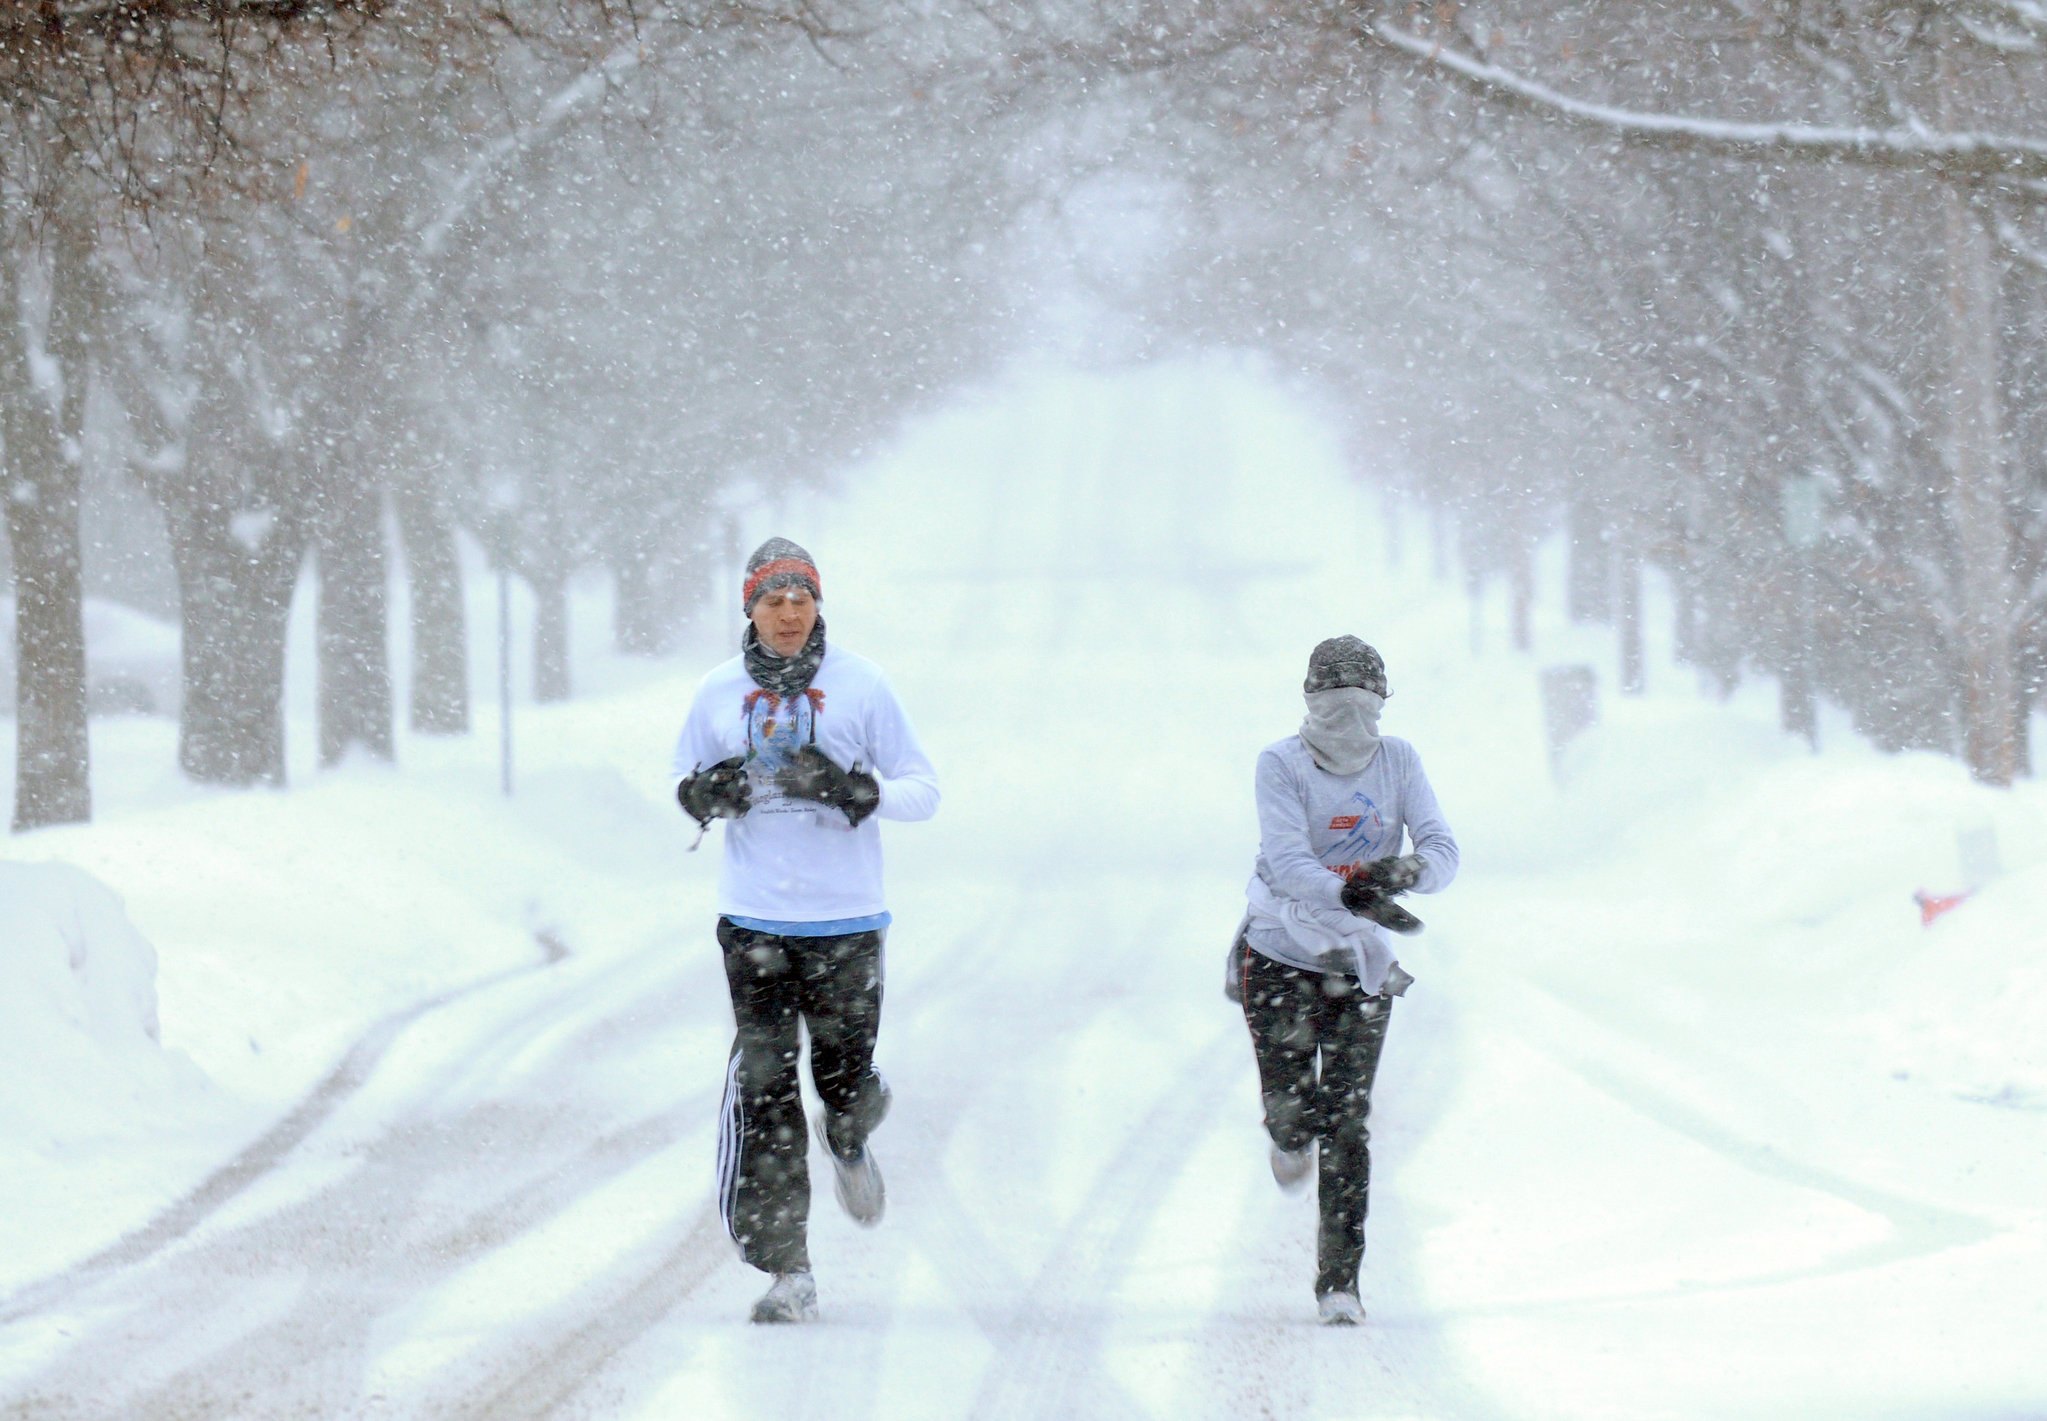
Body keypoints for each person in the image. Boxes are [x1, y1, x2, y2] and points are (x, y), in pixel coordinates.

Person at [670, 537, 940, 1324]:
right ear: (749, 609)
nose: (789, 614)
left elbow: (924, 789)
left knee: (841, 1082)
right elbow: (682, 780)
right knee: (765, 1091)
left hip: (845, 923)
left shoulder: (862, 684)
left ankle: (850, 1132)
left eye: (802, 599)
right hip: (753, 920)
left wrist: (857, 791)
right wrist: (707, 793)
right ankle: (788, 1270)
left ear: (818, 605)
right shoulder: (717, 691)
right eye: (773, 600)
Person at [1229, 635, 1458, 1325]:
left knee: (1348, 1121)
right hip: (1279, 954)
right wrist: (1348, 892)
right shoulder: (1280, 764)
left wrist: (1408, 871)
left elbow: (1443, 849)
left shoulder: (1400, 762)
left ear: (1382, 704)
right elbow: (1287, 860)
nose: (1349, 718)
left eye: (1363, 703)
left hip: (1360, 968)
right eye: (1334, 704)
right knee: (1295, 1113)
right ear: (1309, 701)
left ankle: (1340, 1283)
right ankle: (1285, 1135)